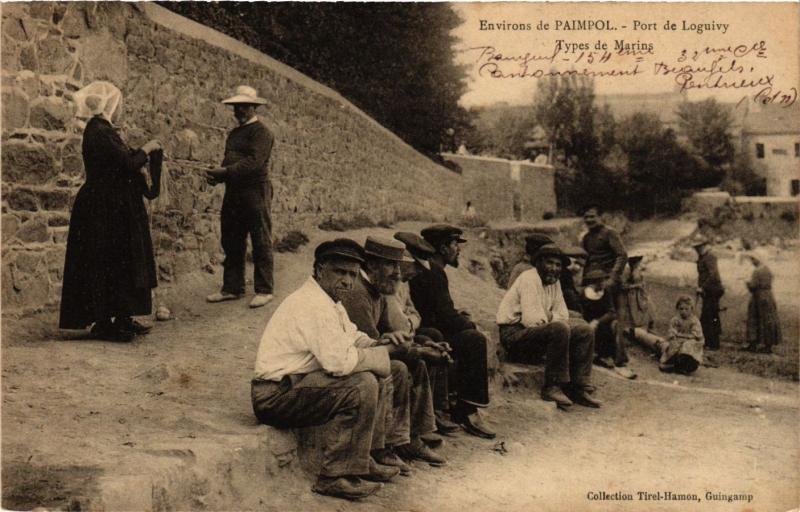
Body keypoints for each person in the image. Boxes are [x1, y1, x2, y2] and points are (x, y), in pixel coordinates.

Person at [251, 239, 404, 500]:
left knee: (396, 369)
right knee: (363, 383)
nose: (347, 281)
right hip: (274, 395)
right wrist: (381, 354)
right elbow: (338, 363)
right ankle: (334, 476)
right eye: (340, 272)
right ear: (320, 270)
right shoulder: (311, 303)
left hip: (298, 383)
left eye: (353, 275)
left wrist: (381, 343)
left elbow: (353, 336)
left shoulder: (330, 301)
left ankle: (368, 456)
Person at [59, 81, 161, 342]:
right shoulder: (99, 131)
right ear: (108, 105)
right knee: (107, 262)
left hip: (111, 206)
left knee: (120, 261)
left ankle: (123, 317)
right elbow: (127, 164)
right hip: (102, 208)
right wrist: (147, 149)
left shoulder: (103, 130)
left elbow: (121, 162)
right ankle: (105, 322)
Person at [340, 236, 446, 467]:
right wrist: (418, 351)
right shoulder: (359, 294)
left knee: (414, 363)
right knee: (399, 367)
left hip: (364, 352)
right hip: (349, 360)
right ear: (372, 265)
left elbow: (385, 335)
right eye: (392, 265)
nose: (398, 273)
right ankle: (386, 445)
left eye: (399, 266)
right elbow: (370, 347)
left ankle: (411, 438)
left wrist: (420, 346)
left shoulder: (378, 288)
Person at [411, 225, 496, 439]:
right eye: (455, 244)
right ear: (442, 247)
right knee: (474, 339)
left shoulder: (432, 268)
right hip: (428, 332)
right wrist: (469, 325)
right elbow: (445, 317)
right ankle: (467, 410)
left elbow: (440, 310)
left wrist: (457, 315)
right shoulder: (434, 270)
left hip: (428, 327)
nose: (458, 250)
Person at [496, 244, 600, 409]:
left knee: (584, 329)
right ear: (539, 263)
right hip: (514, 338)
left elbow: (563, 315)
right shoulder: (529, 279)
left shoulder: (554, 283)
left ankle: (578, 386)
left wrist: (551, 317)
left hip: (535, 334)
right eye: (549, 263)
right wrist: (552, 317)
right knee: (559, 328)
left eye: (558, 265)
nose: (554, 268)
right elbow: (532, 320)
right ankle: (552, 386)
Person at [206, 85, 275, 309]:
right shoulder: (234, 134)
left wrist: (225, 172)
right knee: (231, 239)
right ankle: (232, 288)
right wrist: (217, 176)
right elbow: (229, 162)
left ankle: (265, 290)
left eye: (244, 106)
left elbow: (253, 163)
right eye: (236, 107)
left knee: (260, 239)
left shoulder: (262, 133)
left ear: (254, 107)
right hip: (234, 192)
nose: (239, 111)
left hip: (255, 191)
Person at [391, 232, 459, 437]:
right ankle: (417, 426)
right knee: (421, 354)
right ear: (403, 261)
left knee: (433, 339)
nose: (417, 274)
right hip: (391, 338)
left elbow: (413, 313)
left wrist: (410, 323)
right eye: (415, 267)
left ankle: (435, 411)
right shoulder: (390, 284)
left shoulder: (403, 282)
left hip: (403, 333)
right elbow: (397, 322)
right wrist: (410, 323)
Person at [582, 269, 636, 379]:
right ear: (594, 283)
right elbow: (581, 312)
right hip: (588, 326)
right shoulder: (583, 294)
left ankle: (620, 363)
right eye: (601, 281)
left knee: (616, 325)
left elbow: (611, 312)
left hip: (603, 324)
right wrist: (589, 324)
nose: (604, 283)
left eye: (604, 280)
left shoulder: (605, 292)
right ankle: (595, 356)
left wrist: (597, 321)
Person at [744, 248, 782, 353]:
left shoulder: (757, 271)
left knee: (754, 319)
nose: (752, 261)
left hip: (758, 297)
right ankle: (767, 345)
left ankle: (753, 343)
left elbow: (753, 286)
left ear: (758, 259)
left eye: (753, 259)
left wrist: (747, 283)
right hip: (768, 296)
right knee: (767, 320)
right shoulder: (767, 269)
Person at [692, 236, 724, 351]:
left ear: (704, 245)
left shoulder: (710, 257)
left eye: (698, 247)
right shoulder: (702, 257)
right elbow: (703, 275)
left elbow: (713, 275)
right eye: (695, 247)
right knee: (707, 316)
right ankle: (708, 342)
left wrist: (702, 287)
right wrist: (700, 287)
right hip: (708, 290)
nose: (697, 249)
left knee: (710, 316)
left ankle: (714, 344)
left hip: (713, 290)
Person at [659, 295, 704, 374]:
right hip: (678, 339)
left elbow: (696, 334)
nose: (684, 311)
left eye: (687, 309)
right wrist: (673, 335)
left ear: (691, 309)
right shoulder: (675, 320)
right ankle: (672, 363)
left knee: (688, 345)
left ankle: (687, 364)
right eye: (681, 309)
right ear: (678, 309)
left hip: (690, 340)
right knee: (673, 344)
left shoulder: (694, 321)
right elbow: (672, 330)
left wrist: (684, 336)